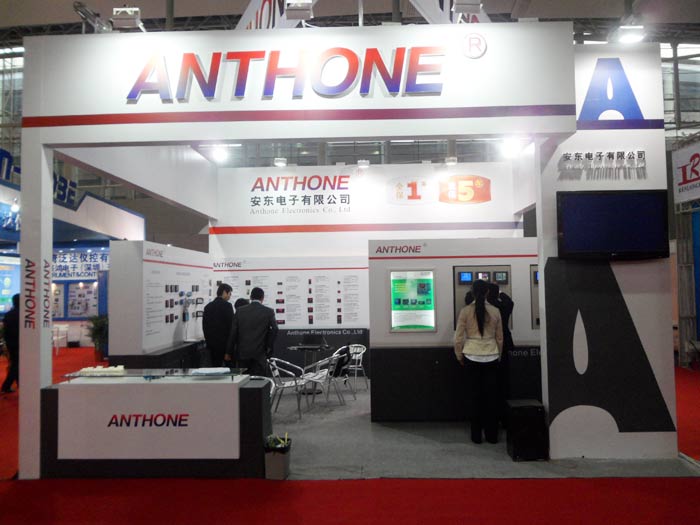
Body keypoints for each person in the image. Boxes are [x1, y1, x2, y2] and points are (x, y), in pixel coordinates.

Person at [454, 280, 503, 444]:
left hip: (471, 355)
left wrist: (459, 355)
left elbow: (458, 337)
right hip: (491, 356)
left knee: (475, 397)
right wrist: (498, 354)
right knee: (491, 398)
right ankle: (492, 436)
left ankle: (476, 436)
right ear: (488, 292)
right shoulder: (495, 311)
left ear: (472, 292)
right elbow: (500, 338)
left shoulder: (465, 311)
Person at [226, 287, 278, 376]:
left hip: (243, 353)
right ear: (262, 298)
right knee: (260, 380)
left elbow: (233, 333)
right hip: (260, 354)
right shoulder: (268, 311)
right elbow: (275, 329)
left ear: (250, 297)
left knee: (243, 379)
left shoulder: (240, 311)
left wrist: (228, 352)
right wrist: (268, 346)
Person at [487, 283, 515, 424]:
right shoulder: (503, 306)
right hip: (503, 346)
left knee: (489, 384)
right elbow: (510, 301)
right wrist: (501, 293)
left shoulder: (486, 307)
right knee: (503, 383)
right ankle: (504, 418)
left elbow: (468, 298)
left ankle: (490, 417)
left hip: (488, 346)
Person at [202, 284, 233, 367]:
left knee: (215, 368)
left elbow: (205, 327)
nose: (230, 296)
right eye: (229, 294)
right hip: (225, 346)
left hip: (212, 346)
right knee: (229, 370)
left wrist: (209, 342)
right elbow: (231, 327)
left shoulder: (208, 307)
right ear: (224, 292)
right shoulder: (227, 306)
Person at [2, 294, 20, 394]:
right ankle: (6, 386)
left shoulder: (8, 314)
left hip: (10, 343)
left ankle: (19, 383)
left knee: (16, 363)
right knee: (16, 365)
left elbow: (5, 331)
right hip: (19, 343)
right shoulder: (22, 314)